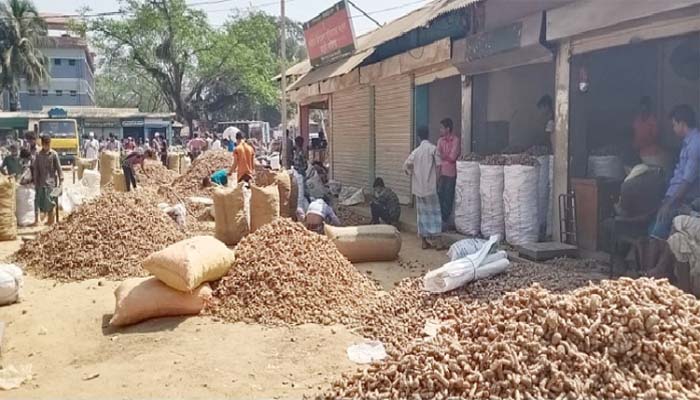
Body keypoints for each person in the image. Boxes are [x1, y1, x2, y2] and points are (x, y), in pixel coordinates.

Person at [646, 105, 700, 275]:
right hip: (674, 197)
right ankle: (652, 272)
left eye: (674, 125)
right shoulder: (688, 143)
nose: (673, 129)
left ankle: (652, 274)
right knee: (656, 233)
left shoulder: (695, 145)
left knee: (657, 234)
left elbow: (687, 180)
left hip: (681, 199)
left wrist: (670, 203)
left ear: (681, 123)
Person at [403, 126, 443, 249]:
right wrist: (437, 181)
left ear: (419, 137)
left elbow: (406, 166)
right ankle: (438, 242)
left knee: (422, 215)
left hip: (419, 189)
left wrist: (412, 173)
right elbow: (439, 167)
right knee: (434, 214)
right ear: (428, 135)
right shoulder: (433, 149)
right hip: (431, 188)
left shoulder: (415, 152)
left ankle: (424, 241)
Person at [32, 135, 63, 226]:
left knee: (51, 203)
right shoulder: (38, 155)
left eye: (48, 144)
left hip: (51, 184)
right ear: (42, 144)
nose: (47, 146)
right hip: (40, 183)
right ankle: (37, 220)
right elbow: (36, 169)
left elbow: (59, 168)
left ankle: (51, 221)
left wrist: (61, 181)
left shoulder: (54, 154)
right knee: (38, 201)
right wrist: (35, 181)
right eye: (45, 144)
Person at [436, 118, 460, 228]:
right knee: (440, 195)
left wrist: (443, 156)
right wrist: (445, 157)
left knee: (448, 197)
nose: (440, 130)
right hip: (441, 173)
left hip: (451, 174)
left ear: (448, 129)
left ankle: (445, 221)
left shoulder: (455, 140)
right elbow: (438, 156)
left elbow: (452, 157)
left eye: (442, 128)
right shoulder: (440, 141)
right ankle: (440, 220)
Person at [633, 96, 666, 169]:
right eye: (642, 108)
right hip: (636, 150)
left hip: (648, 152)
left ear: (649, 108)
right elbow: (634, 134)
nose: (644, 110)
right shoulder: (637, 120)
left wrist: (642, 145)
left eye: (646, 108)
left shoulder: (653, 121)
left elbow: (654, 138)